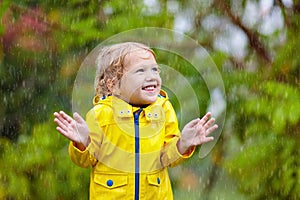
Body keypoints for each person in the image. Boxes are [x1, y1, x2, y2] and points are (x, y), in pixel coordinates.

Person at [54, 42, 218, 200]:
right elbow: (85, 160)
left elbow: (167, 158)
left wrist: (183, 144)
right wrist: (82, 144)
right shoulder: (101, 114)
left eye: (155, 70)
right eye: (141, 71)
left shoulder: (164, 110)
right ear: (113, 85)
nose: (151, 76)